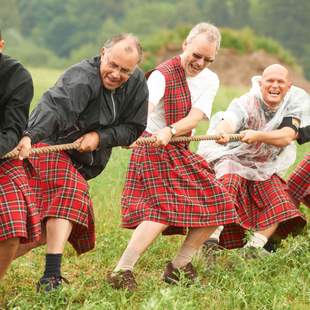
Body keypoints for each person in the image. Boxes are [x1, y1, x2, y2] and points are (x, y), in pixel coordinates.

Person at [108, 23, 241, 291]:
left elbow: (195, 116)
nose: (200, 62)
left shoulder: (210, 79)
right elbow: (146, 108)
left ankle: (179, 266)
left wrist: (171, 130)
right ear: (185, 46)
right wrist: (131, 133)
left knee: (220, 204)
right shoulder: (162, 75)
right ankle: (121, 271)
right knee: (162, 211)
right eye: (196, 55)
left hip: (177, 148)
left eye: (208, 59)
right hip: (151, 147)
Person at [16, 33, 148, 291]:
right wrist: (30, 136)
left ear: (134, 70)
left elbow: (134, 127)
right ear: (103, 53)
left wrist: (101, 136)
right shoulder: (81, 78)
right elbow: (54, 107)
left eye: (124, 70)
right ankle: (51, 277)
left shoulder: (137, 84)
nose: (116, 74)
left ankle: (13, 261)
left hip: (83, 160)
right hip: (49, 146)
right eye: (112, 65)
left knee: (45, 228)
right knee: (72, 192)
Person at [198, 64, 308, 252]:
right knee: (228, 186)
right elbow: (230, 119)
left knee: (279, 202)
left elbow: (286, 136)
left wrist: (257, 135)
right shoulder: (247, 101)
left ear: (288, 86)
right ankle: (211, 239)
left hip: (265, 166)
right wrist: (223, 132)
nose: (275, 86)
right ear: (261, 83)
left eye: (280, 82)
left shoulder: (293, 104)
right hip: (234, 158)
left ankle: (253, 249)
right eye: (270, 81)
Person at [0, 30, 40, 280]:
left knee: (12, 224)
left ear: (1, 45)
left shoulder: (17, 77)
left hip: (4, 155)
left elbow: (12, 130)